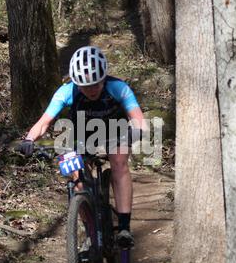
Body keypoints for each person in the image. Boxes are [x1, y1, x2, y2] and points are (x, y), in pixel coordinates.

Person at [19, 46, 147, 248]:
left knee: (119, 162)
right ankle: (90, 230)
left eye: (96, 84)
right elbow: (45, 121)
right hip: (80, 135)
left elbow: (138, 119)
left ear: (104, 78)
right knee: (72, 171)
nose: (91, 90)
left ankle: (123, 227)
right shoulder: (66, 91)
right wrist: (29, 139)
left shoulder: (118, 88)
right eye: (85, 86)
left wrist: (138, 130)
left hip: (115, 131)